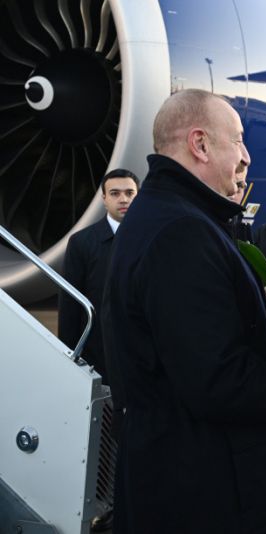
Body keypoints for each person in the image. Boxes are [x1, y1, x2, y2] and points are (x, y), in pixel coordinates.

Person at [101, 89, 266, 534]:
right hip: (204, 494)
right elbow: (216, 383)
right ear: (200, 144)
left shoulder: (168, 215)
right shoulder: (181, 232)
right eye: (238, 141)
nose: (246, 157)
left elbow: (187, 345)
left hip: (182, 478)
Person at [58, 168, 139, 532]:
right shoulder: (83, 243)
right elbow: (70, 307)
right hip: (98, 357)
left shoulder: (149, 237)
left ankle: (130, 502)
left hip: (138, 358)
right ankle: (102, 505)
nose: (124, 199)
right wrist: (69, 359)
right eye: (116, 193)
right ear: (103, 199)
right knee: (101, 438)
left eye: (130, 193)